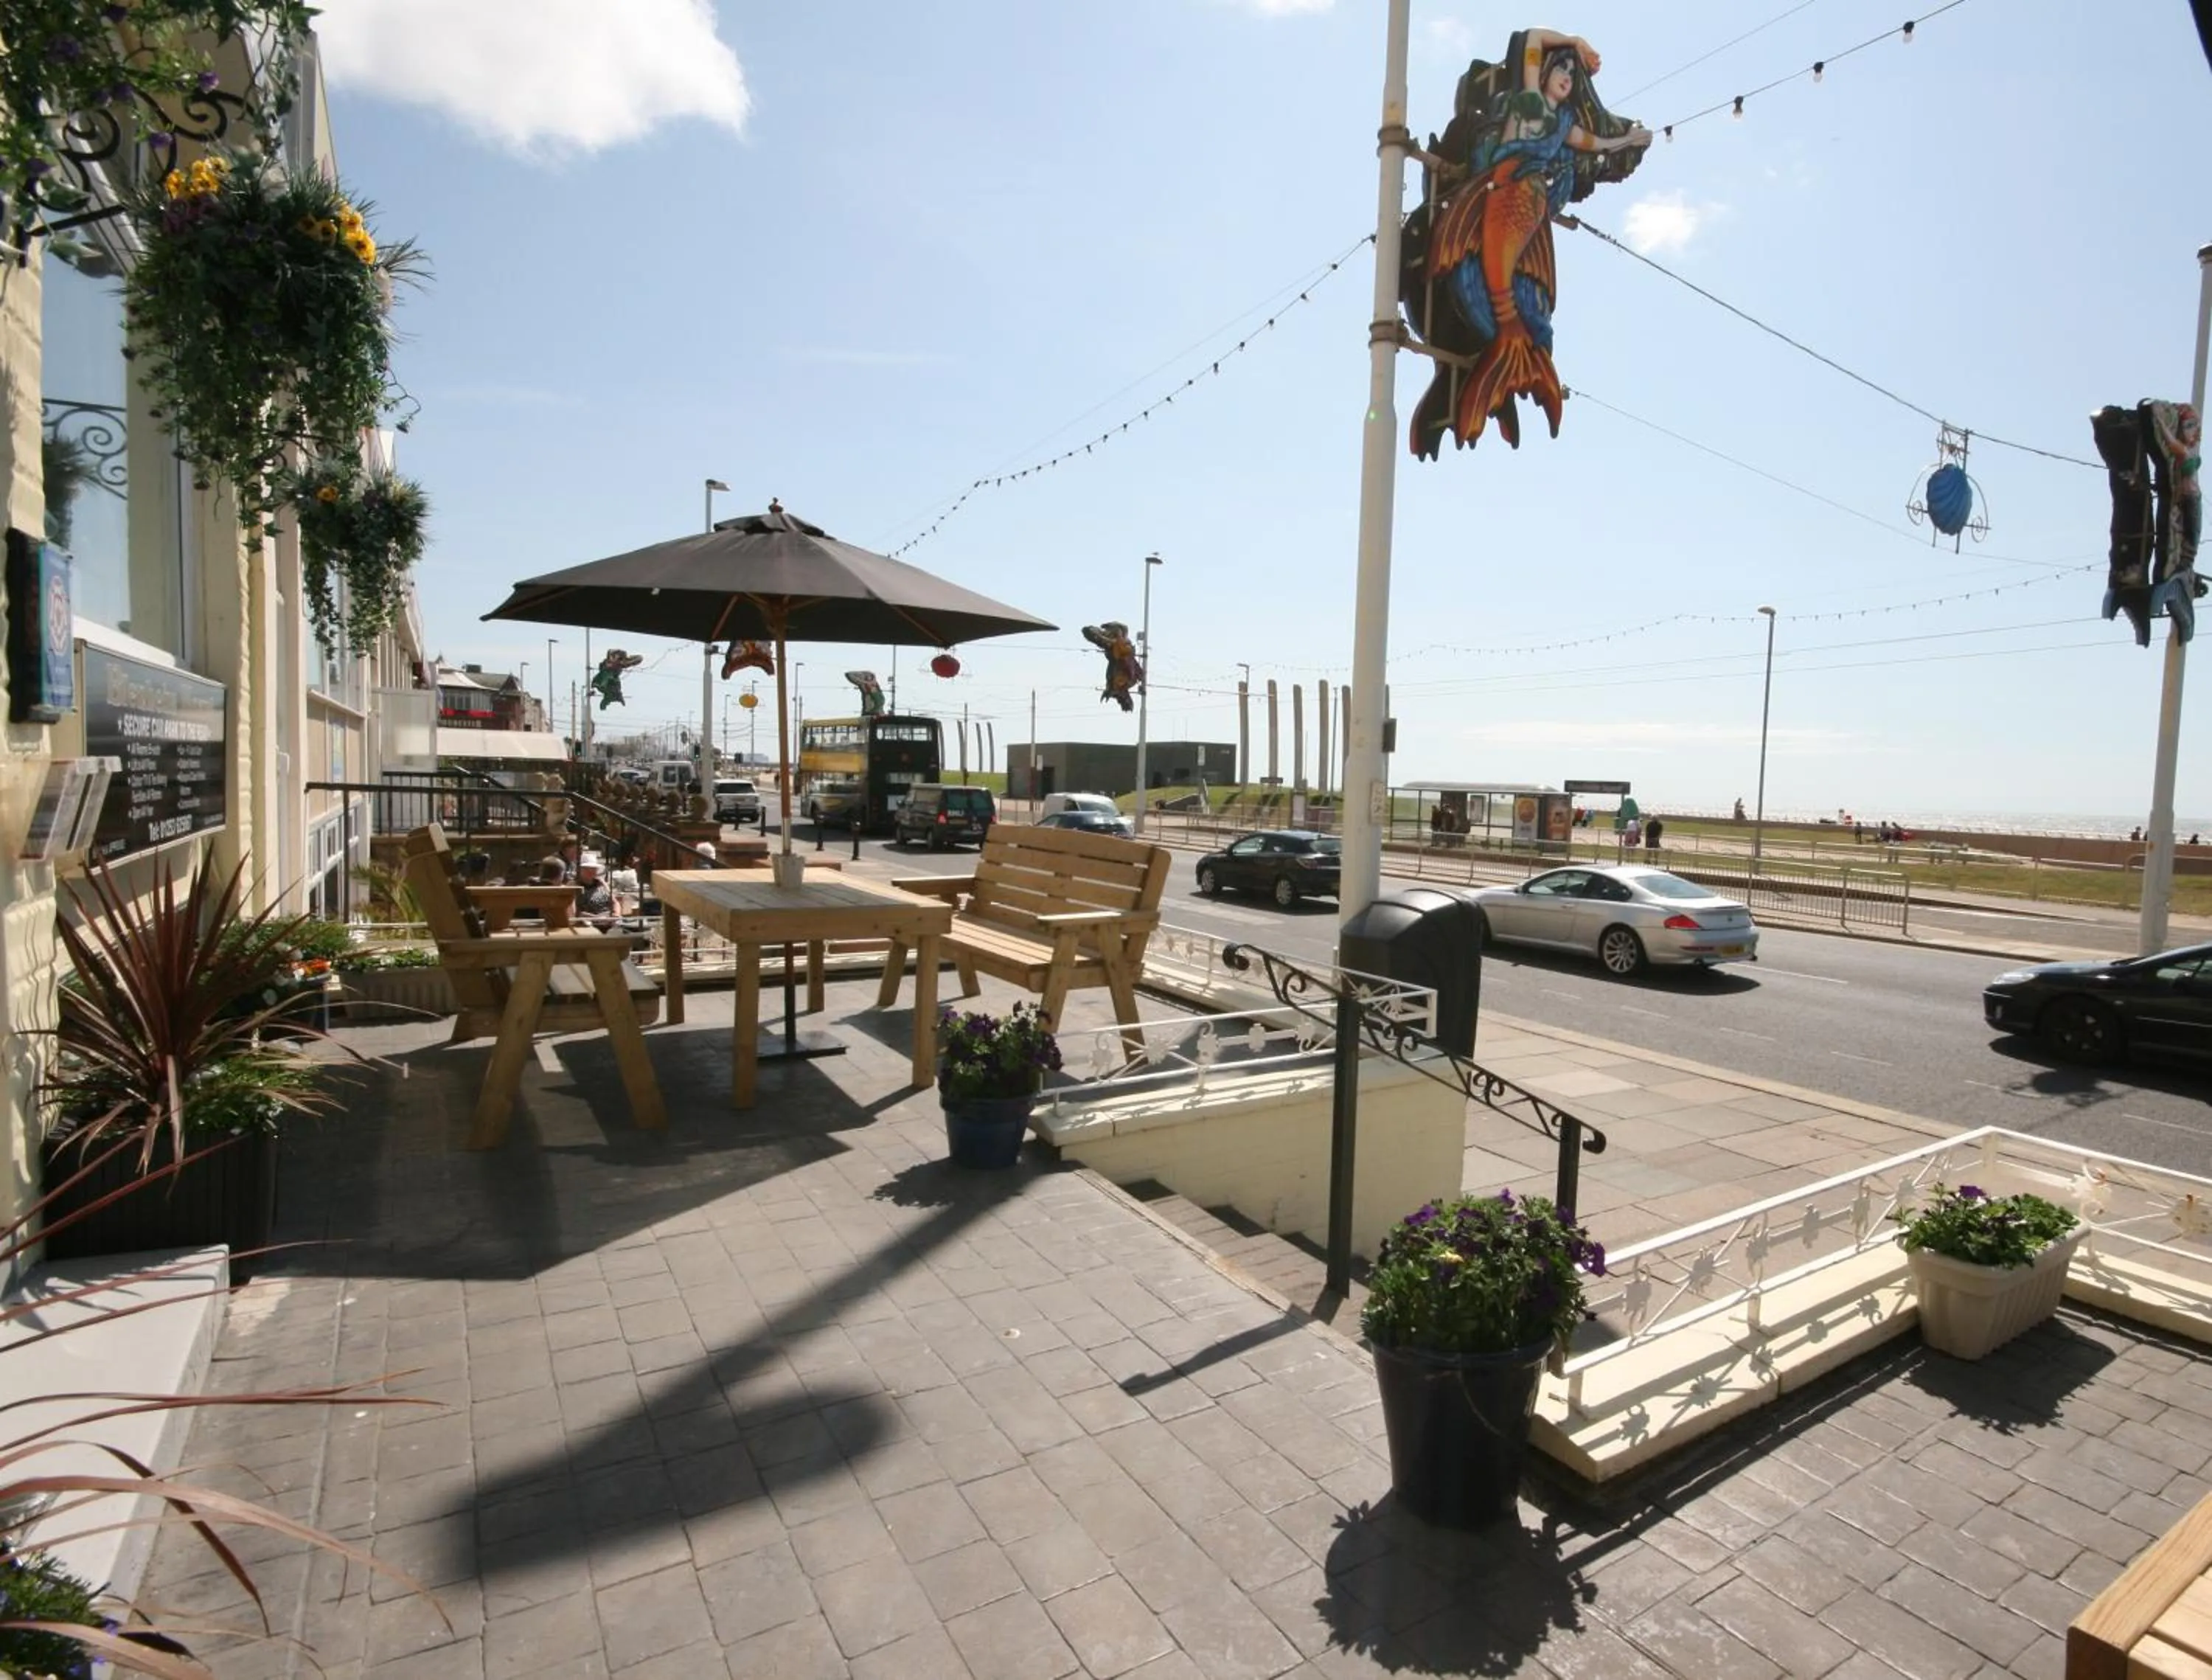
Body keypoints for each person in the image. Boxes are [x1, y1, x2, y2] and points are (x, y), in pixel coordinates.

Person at [574, 851, 617, 930]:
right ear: (580, 870)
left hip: (609, 920)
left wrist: (616, 915)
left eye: (593, 869)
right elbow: (575, 912)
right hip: (588, 924)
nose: (591, 871)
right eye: (587, 869)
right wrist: (597, 918)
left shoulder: (601, 883)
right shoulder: (574, 886)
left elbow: (615, 902)